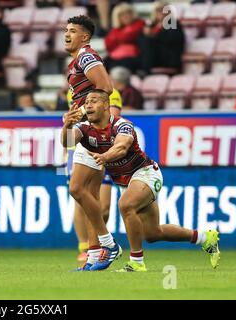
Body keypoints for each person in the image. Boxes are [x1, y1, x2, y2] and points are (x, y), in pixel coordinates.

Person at [64, 89, 221, 272]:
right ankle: (204, 237)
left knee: (125, 205)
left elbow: (121, 148)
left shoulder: (122, 125)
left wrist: (105, 156)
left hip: (145, 173)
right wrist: (67, 126)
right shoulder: (84, 128)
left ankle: (136, 262)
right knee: (153, 233)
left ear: (106, 105)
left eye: (93, 101)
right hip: (126, 182)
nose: (88, 105)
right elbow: (67, 143)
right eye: (86, 102)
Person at [64, 15, 120, 271]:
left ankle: (107, 245)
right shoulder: (77, 61)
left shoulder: (87, 57)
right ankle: (96, 253)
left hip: (94, 132)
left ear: (84, 36)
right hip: (88, 131)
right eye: (66, 30)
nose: (67, 34)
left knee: (78, 189)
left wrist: (85, 112)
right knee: (83, 192)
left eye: (73, 31)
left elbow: (105, 86)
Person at [71, 88, 123, 263]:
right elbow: (73, 122)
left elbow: (110, 117)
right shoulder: (74, 91)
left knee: (103, 205)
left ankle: (103, 242)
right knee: (80, 199)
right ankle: (85, 247)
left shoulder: (109, 92)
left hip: (103, 147)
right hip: (77, 149)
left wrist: (84, 114)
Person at [138, 0, 185, 75]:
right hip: (153, 56)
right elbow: (140, 40)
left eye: (164, 10)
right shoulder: (151, 25)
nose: (161, 12)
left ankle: (145, 70)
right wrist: (145, 34)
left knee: (148, 42)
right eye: (158, 10)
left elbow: (172, 39)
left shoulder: (173, 23)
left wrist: (153, 35)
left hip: (168, 56)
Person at [104, 2, 144, 73]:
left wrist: (117, 37)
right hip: (114, 58)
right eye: (122, 15)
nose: (126, 16)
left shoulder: (139, 23)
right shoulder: (116, 29)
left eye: (128, 13)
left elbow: (128, 37)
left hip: (131, 58)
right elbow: (108, 45)